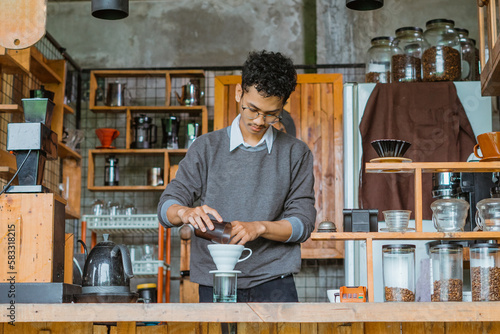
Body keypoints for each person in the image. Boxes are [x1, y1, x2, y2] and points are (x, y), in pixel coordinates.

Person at [157, 50, 316, 302]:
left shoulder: (296, 153)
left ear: (283, 106)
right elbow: (166, 208)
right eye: (252, 109)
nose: (259, 120)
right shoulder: (206, 147)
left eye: (271, 114)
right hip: (215, 279)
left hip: (274, 280)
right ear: (238, 93)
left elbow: (303, 224)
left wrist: (260, 227)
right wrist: (185, 213)